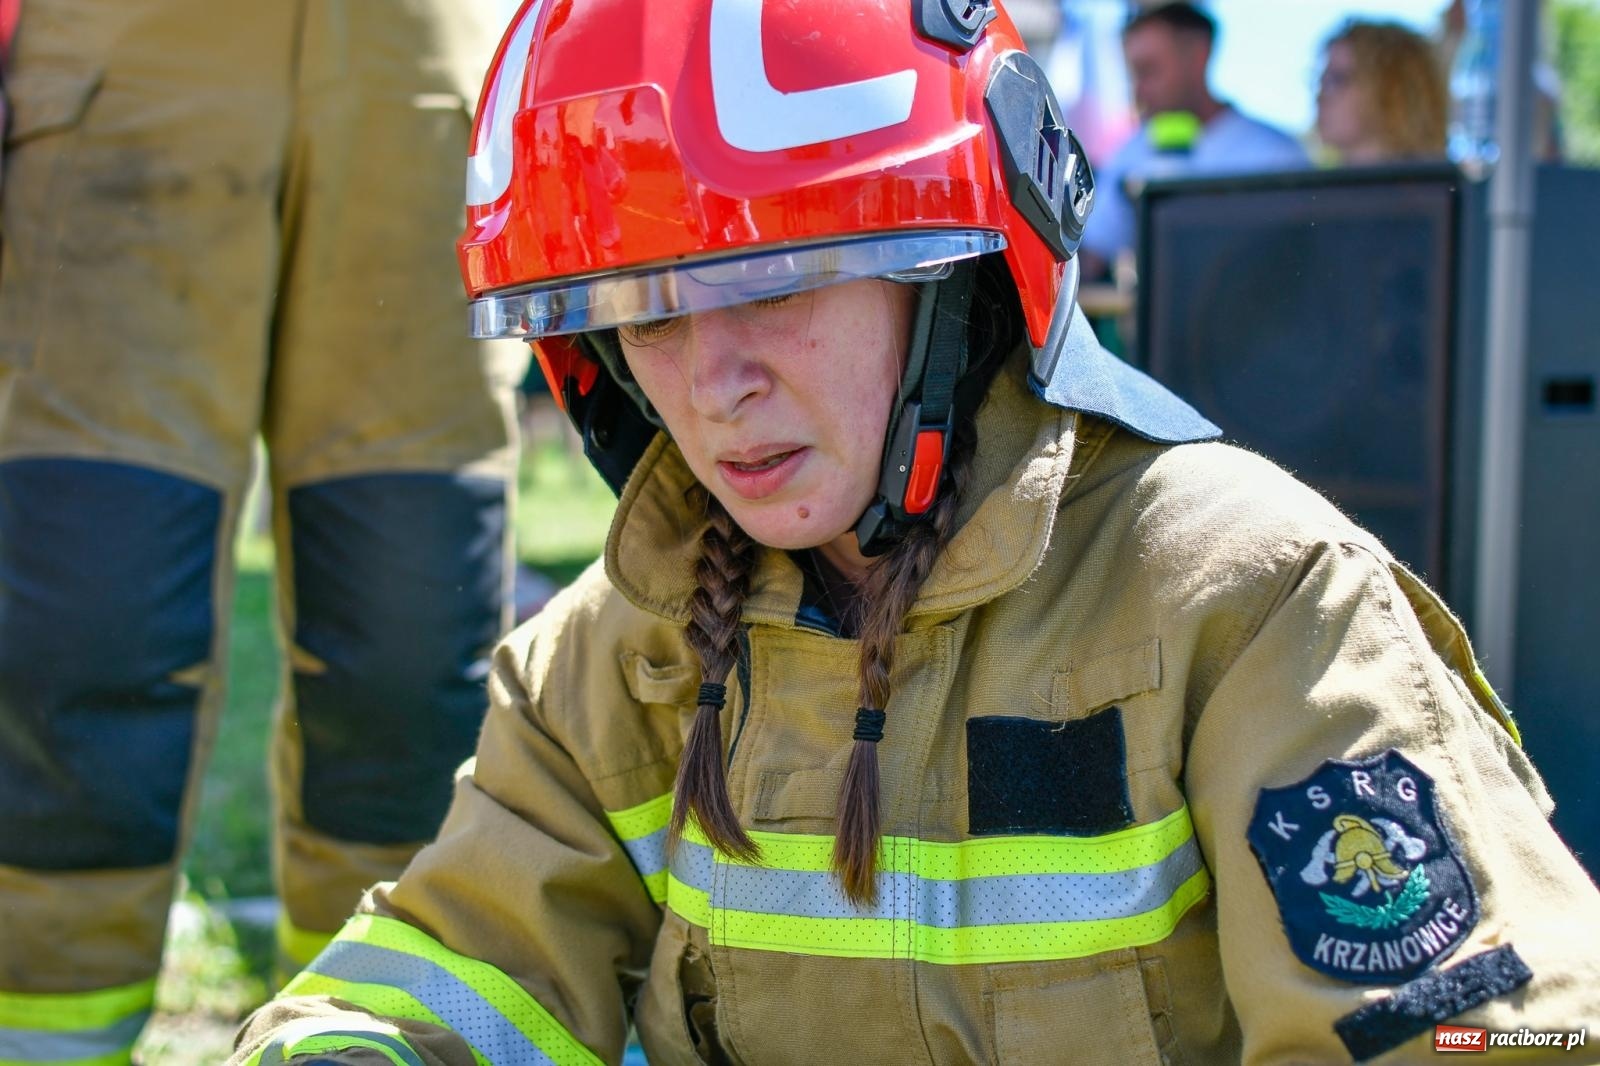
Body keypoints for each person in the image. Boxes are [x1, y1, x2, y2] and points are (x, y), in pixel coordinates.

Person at [233, 0, 1600, 1062]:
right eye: (646, 315)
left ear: (955, 271)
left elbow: (1487, 1029)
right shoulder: (614, 659)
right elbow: (452, 972)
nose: (712, 387)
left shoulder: (1248, 603)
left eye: (771, 281)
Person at [0, 1, 523, 1059]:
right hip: (122, 62)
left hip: (428, 67)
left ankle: (359, 1036)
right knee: (91, 612)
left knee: (411, 638)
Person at [1079, 1, 1307, 278]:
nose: (1139, 91)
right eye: (1133, 75)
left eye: (1149, 70)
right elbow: (1090, 258)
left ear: (1199, 56)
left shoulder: (1278, 157)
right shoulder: (1130, 156)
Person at [1315, 20, 1449, 165]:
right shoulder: (1321, 178)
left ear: (1391, 90)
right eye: (1322, 81)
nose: (1320, 96)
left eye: (1337, 79)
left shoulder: (1438, 178)